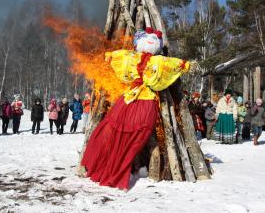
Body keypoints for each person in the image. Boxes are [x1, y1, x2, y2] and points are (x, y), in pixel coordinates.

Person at [81, 27, 193, 190]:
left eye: (154, 39)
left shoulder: (155, 61)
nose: (149, 41)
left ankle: (116, 169)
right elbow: (121, 56)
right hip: (131, 101)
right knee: (113, 131)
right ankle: (104, 166)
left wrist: (186, 65)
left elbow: (170, 63)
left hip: (139, 102)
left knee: (132, 138)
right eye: (147, 38)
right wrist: (186, 65)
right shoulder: (139, 58)